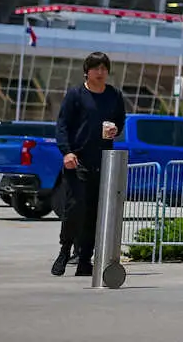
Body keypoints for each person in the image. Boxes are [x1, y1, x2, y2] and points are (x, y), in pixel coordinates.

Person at [52, 51, 126, 277]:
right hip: (77, 160)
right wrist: (67, 152)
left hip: (103, 161)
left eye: (104, 68)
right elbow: (62, 124)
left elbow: (120, 121)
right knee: (75, 208)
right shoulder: (76, 94)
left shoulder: (114, 95)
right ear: (87, 71)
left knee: (96, 212)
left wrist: (115, 130)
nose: (101, 72)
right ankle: (65, 251)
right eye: (96, 68)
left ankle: (85, 259)